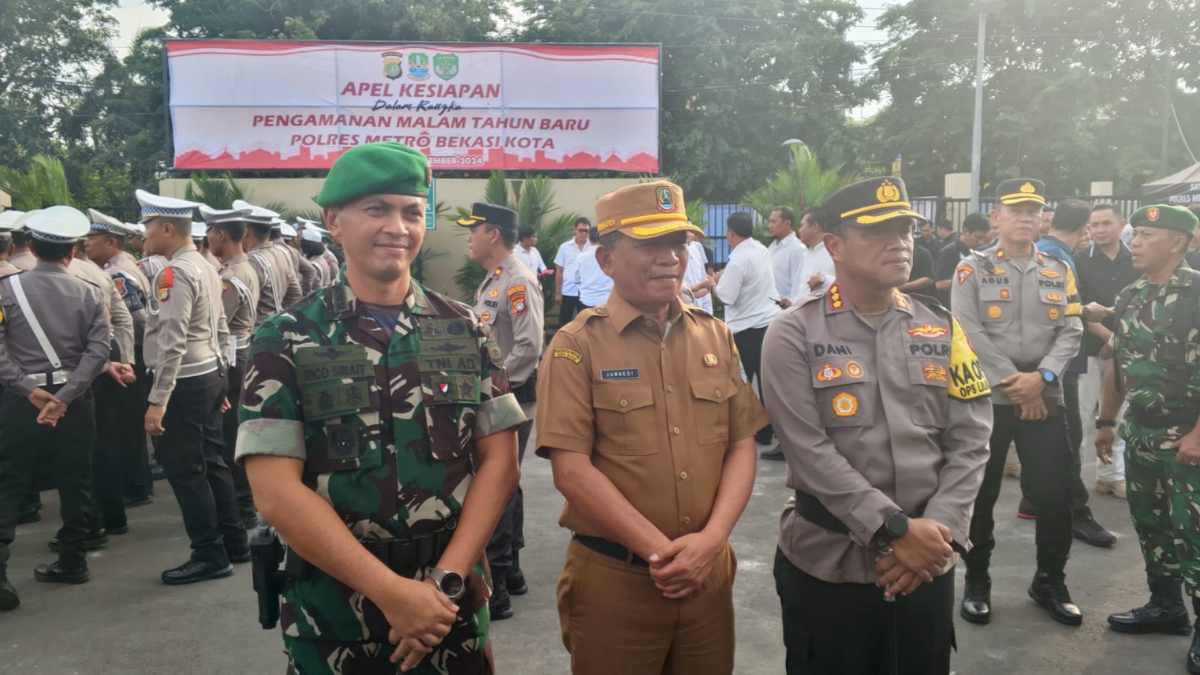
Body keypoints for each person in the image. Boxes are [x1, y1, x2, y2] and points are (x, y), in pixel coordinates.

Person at [237, 142, 523, 674]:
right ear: (334, 221)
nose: (398, 226)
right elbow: (275, 492)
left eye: (412, 211)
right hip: (333, 621)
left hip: (450, 609)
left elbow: (499, 464)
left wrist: (444, 584)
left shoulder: (464, 329)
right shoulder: (285, 339)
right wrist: (394, 595)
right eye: (377, 209)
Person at [536, 179, 767, 675]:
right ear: (607, 260)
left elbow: (742, 443)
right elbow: (571, 470)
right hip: (617, 580)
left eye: (677, 243)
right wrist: (663, 554)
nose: (669, 257)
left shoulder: (716, 335)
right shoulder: (577, 345)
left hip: (706, 576)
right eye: (649, 244)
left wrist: (712, 541)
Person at [762, 176, 992, 675]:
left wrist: (940, 532)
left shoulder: (940, 325)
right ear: (835, 246)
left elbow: (972, 437)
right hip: (830, 564)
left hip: (928, 560)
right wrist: (894, 531)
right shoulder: (794, 333)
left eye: (906, 229)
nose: (900, 242)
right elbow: (809, 450)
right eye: (879, 231)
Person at [953, 178, 1085, 627]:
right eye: (1017, 210)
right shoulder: (971, 270)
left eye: (1034, 210)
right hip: (989, 397)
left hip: (1045, 394)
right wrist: (1015, 383)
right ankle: (977, 580)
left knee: (1054, 494)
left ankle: (1050, 580)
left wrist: (1043, 377)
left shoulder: (1058, 269)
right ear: (997, 217)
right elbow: (967, 331)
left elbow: (1072, 329)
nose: (1027, 217)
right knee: (982, 495)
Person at [1096, 205, 1200, 671]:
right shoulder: (1131, 295)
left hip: (1189, 437)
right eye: (1135, 234)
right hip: (1141, 432)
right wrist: (1105, 421)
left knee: (1193, 532)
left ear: (1178, 242)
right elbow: (1118, 364)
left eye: (1147, 234)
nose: (1134, 242)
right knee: (1151, 523)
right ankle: (1167, 607)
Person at [0, 206, 111, 611]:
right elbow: (98, 352)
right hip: (74, 402)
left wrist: (28, 390)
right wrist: (64, 398)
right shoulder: (91, 292)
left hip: (18, 402)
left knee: (8, 482)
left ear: (29, 246)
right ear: (72, 252)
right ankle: (73, 559)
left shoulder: (5, 290)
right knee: (75, 480)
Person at [138, 189, 246, 585]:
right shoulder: (203, 264)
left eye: (148, 227)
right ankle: (234, 542)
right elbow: (219, 326)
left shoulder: (175, 272)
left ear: (168, 228)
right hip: (207, 376)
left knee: (187, 471)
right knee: (213, 462)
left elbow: (172, 340)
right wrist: (221, 377)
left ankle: (209, 553)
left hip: (183, 383)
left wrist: (157, 401)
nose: (144, 235)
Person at [459, 201, 545, 622]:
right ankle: (511, 574)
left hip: (507, 398)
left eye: (473, 231)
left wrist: (493, 384)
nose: (468, 239)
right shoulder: (495, 279)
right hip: (500, 397)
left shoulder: (516, 281)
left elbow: (529, 345)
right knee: (506, 482)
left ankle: (499, 589)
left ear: (492, 234)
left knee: (495, 484)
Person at [1036, 200, 1117, 548]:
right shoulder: (1058, 257)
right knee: (1066, 441)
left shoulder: (1043, 251)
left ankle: (1046, 505)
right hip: (1057, 362)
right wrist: (1090, 313)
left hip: (1045, 362)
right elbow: (1060, 311)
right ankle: (1075, 515)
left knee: (1052, 441)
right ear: (1084, 229)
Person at [697, 212, 781, 457]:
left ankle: (748, 430)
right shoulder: (760, 250)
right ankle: (767, 431)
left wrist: (713, 283)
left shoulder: (738, 260)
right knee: (764, 382)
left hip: (745, 328)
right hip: (767, 322)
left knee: (741, 383)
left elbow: (727, 296)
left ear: (731, 233)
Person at [202, 205, 262, 529]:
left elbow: (217, 324)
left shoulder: (232, 275)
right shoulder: (243, 267)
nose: (208, 238)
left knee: (229, 437)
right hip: (241, 353)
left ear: (221, 234)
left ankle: (242, 506)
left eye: (210, 232)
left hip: (233, 358)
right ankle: (244, 501)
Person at [1077, 204, 1138, 503]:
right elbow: (1079, 309)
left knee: (1118, 415)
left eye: (1105, 223)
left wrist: (1119, 343)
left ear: (1121, 224)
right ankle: (1071, 479)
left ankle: (1111, 477)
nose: (1099, 230)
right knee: (1083, 414)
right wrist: (1111, 338)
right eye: (1094, 225)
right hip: (1088, 350)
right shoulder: (1079, 261)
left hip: (1126, 351)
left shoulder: (1135, 259)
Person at [238, 204, 298, 325]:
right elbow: (295, 293)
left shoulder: (252, 260)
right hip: (277, 326)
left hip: (258, 330)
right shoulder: (282, 252)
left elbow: (242, 305)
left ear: (246, 231)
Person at [934, 213, 992, 307]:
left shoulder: (983, 252)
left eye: (985, 239)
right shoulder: (949, 252)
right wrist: (966, 279)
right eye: (978, 237)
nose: (982, 242)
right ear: (966, 232)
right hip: (954, 308)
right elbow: (938, 284)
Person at [789, 208, 836, 304]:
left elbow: (848, 285)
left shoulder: (834, 252)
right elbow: (801, 288)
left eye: (802, 225)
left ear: (815, 226)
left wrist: (824, 280)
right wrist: (792, 303)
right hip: (800, 312)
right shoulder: (805, 254)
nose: (799, 230)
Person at [554, 217, 592, 326]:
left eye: (586, 231)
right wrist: (557, 293)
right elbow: (559, 271)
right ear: (574, 230)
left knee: (585, 324)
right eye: (581, 230)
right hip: (568, 291)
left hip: (586, 292)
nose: (584, 233)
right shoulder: (564, 247)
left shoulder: (593, 247)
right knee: (564, 322)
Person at [767, 206, 806, 307]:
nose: (769, 226)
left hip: (786, 308)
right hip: (769, 307)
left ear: (787, 223)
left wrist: (792, 303)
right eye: (769, 222)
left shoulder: (797, 248)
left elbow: (799, 281)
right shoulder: (773, 246)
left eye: (773, 222)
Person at [573, 227, 613, 309]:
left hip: (586, 301)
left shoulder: (580, 257)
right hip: (607, 300)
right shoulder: (611, 255)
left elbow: (576, 279)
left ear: (589, 238)